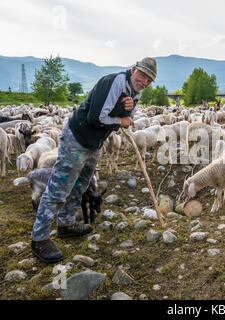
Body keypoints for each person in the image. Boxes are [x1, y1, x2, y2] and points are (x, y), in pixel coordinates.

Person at [30, 57, 157, 263]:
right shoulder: (113, 82)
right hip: (77, 139)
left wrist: (127, 110)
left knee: (81, 185)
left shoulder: (136, 91)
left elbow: (128, 119)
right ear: (133, 70)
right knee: (59, 187)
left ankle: (66, 224)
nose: (144, 82)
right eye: (142, 76)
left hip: (95, 143)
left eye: (149, 80)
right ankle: (39, 238)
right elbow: (95, 118)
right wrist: (121, 118)